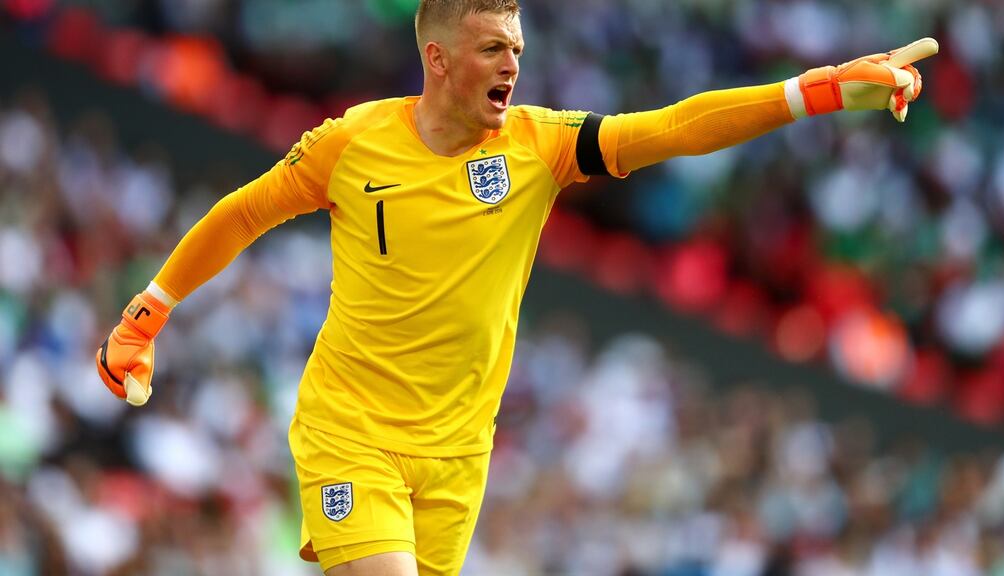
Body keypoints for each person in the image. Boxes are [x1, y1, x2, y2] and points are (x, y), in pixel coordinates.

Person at [95, 1, 938, 574]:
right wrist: (147, 314)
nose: (516, 62)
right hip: (353, 431)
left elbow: (676, 127)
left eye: (520, 47)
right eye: (495, 47)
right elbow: (242, 215)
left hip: (459, 455)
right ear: (440, 58)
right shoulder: (353, 145)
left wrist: (818, 91)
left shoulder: (541, 145)